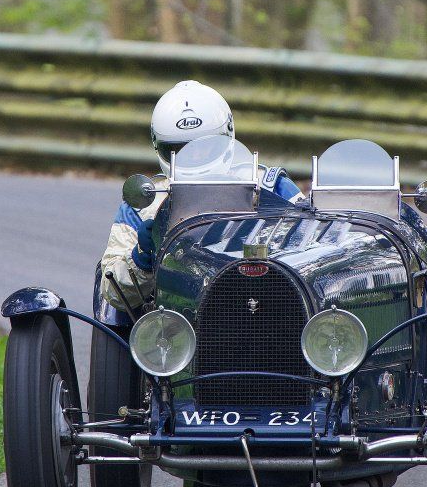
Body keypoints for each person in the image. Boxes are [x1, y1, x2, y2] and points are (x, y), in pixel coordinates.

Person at [95, 81, 300, 322]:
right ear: (159, 147)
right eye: (178, 150)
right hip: (176, 325)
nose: (192, 157)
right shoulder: (143, 205)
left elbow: (315, 247)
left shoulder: (272, 186)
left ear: (227, 135)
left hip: (274, 308)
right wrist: (142, 258)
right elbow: (112, 293)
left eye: (205, 147)